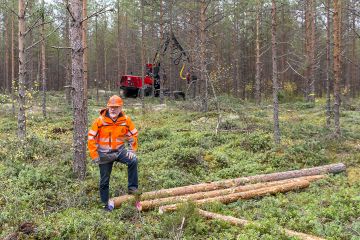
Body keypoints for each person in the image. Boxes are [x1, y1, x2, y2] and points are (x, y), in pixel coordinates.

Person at [88, 95, 139, 211]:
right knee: (104, 181)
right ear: (107, 107)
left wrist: (131, 150)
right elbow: (91, 138)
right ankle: (105, 204)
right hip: (104, 154)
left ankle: (132, 188)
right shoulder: (100, 121)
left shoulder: (126, 120)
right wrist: (95, 155)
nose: (113, 109)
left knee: (133, 160)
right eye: (111, 107)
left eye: (116, 107)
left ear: (121, 108)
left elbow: (133, 134)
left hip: (120, 151)